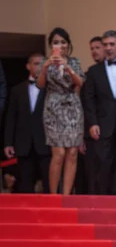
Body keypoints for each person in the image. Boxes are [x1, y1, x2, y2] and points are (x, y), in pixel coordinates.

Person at [84, 30, 116, 195]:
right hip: (102, 124)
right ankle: (103, 200)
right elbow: (89, 100)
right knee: (103, 164)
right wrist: (92, 123)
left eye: (112, 44)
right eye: (105, 44)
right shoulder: (93, 71)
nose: (108, 48)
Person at [36, 27, 85, 195]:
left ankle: (66, 195)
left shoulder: (74, 62)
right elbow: (40, 85)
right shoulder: (45, 62)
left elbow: (80, 83)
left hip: (73, 108)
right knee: (58, 153)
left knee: (72, 153)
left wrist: (68, 68)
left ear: (68, 44)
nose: (60, 45)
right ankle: (53, 195)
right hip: (53, 109)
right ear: (51, 45)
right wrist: (46, 67)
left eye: (63, 42)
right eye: (56, 42)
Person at [4, 53, 50, 193]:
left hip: (46, 142)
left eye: (42, 63)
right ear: (28, 66)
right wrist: (8, 143)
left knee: (49, 184)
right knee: (25, 184)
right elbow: (11, 117)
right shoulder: (17, 90)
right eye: (36, 63)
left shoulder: (52, 88)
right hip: (23, 143)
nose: (39, 66)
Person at [75, 37, 105, 195]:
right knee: (91, 172)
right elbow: (83, 106)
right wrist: (81, 136)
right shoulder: (87, 75)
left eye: (97, 47)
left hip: (111, 130)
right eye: (92, 48)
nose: (94, 51)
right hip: (91, 132)